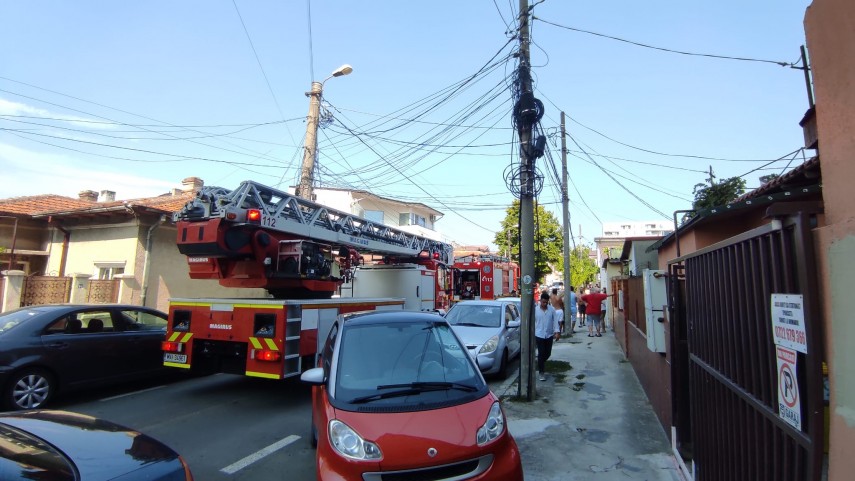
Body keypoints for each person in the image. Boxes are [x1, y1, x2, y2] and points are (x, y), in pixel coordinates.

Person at [535, 291, 560, 381]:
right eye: (543, 302)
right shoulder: (536, 310)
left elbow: (555, 320)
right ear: (540, 301)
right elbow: (533, 322)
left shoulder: (551, 310)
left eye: (546, 302)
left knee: (547, 353)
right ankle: (541, 372)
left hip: (549, 334)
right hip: (539, 334)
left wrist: (557, 332)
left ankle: (540, 362)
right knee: (541, 353)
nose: (544, 304)